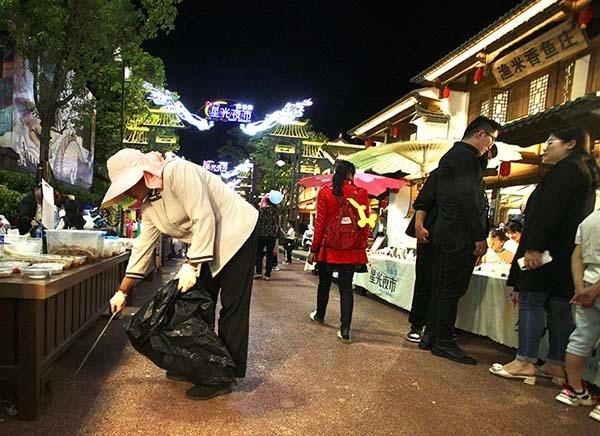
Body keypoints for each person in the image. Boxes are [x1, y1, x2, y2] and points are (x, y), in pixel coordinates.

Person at [104, 149, 258, 401]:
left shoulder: (178, 172)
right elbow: (144, 246)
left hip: (237, 231)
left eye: (129, 186)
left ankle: (224, 375)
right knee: (196, 304)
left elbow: (203, 215)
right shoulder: (149, 204)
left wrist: (192, 263)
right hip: (206, 242)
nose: (128, 194)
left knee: (232, 307)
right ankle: (202, 365)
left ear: (142, 175)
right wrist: (122, 290)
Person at [490, 126, 598, 384]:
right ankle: (555, 364)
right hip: (565, 254)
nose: (546, 147)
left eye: (551, 142)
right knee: (559, 308)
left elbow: (548, 212)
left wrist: (535, 247)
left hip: (546, 252)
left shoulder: (566, 170)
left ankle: (525, 360)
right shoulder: (584, 173)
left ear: (570, 144)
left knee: (531, 302)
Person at [420, 116, 501, 365]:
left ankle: (431, 334)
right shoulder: (466, 158)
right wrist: (479, 236)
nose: (490, 146)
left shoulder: (452, 156)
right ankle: (443, 340)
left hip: (446, 230)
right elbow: (469, 199)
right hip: (459, 234)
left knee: (442, 285)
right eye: (491, 139)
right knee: (452, 289)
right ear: (480, 134)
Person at [406, 146, 496, 343]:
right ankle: (418, 324)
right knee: (426, 279)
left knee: (441, 283)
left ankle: (435, 328)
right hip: (431, 234)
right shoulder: (443, 172)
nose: (487, 159)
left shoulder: (474, 179)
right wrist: (419, 226)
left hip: (450, 236)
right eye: (486, 153)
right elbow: (423, 202)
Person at [307, 159, 371, 343]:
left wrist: (314, 248)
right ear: (351, 174)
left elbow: (320, 224)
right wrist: (361, 243)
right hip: (351, 250)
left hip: (329, 248)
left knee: (324, 283)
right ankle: (345, 330)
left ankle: (320, 314)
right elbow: (365, 223)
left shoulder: (325, 193)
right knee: (346, 289)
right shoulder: (361, 193)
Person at [555, 208, 600, 422]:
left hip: (587, 281)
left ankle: (574, 390)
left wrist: (581, 287)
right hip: (595, 287)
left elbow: (577, 256)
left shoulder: (590, 220)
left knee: (581, 337)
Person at [255, 190, 282, 281]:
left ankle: (258, 272)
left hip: (261, 234)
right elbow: (277, 224)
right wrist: (277, 234)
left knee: (258, 253)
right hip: (272, 236)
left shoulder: (261, 210)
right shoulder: (276, 212)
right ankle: (268, 274)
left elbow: (258, 222)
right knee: (270, 255)